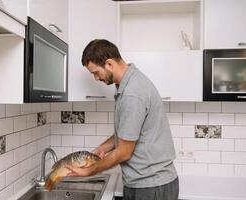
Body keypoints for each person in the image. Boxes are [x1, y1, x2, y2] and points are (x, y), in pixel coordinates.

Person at [66, 39, 179, 200]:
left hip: (151, 187)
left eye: (96, 72)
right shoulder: (128, 84)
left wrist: (88, 171)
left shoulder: (132, 93)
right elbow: (127, 132)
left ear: (110, 64)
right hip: (146, 183)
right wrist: (103, 148)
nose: (96, 79)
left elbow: (123, 153)